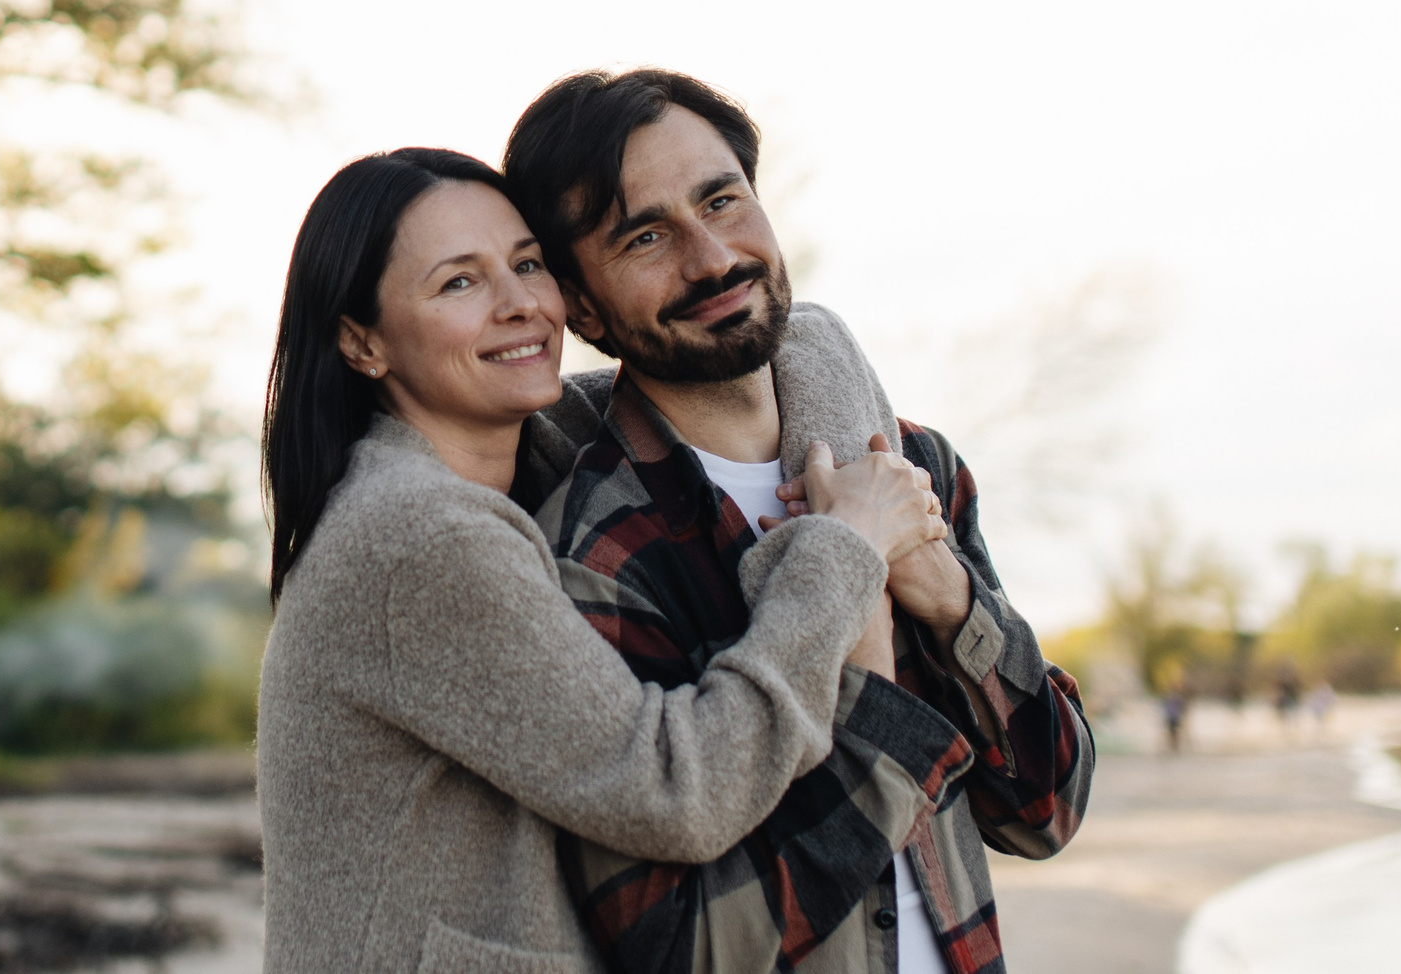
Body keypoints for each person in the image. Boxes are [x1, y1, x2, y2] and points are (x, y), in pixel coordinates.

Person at [255, 148, 950, 973]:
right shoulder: (420, 533)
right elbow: (677, 792)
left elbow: (795, 340)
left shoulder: (517, 454)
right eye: (459, 283)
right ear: (361, 343)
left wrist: (820, 420)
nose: (520, 306)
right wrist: (846, 550)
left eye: (527, 265)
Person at [502, 70, 1096, 974]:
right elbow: (688, 947)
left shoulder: (910, 464)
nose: (712, 258)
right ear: (581, 307)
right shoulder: (592, 557)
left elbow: (1045, 811)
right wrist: (851, 605)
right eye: (647, 236)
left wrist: (942, 595)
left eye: (723, 200)